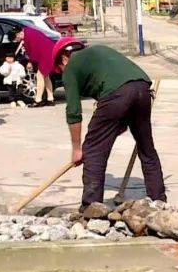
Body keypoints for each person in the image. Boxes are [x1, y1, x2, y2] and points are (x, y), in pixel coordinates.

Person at [54, 39, 167, 210]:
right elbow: (117, 113)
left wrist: (77, 149)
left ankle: (91, 208)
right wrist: (116, 127)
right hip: (142, 87)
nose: (62, 73)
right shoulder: (98, 52)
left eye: (60, 69)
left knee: (93, 150)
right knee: (146, 149)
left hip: (117, 93)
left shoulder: (71, 67)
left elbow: (73, 111)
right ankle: (159, 201)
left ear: (63, 58)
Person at [14, 27, 56, 107]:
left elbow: (34, 50)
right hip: (48, 52)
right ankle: (50, 99)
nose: (17, 41)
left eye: (16, 39)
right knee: (46, 76)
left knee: (40, 76)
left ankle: (38, 100)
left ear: (17, 34)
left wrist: (30, 62)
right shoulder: (29, 32)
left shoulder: (29, 34)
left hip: (46, 54)